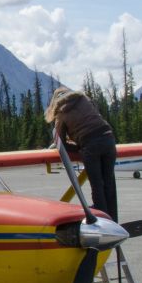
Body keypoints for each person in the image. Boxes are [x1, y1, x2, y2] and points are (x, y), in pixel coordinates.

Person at [45, 86, 118, 221]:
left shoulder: (60, 112)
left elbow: (61, 144)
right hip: (109, 139)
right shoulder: (84, 99)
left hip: (90, 145)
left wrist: (78, 148)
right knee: (109, 186)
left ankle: (103, 224)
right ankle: (115, 225)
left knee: (97, 187)